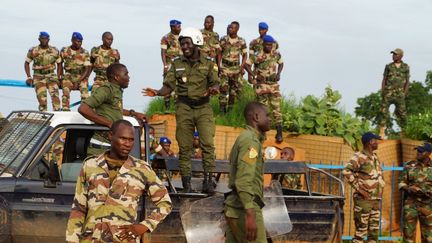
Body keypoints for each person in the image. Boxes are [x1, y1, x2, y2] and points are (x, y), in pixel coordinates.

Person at [65, 119, 172, 243]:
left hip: (123, 239)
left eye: (131, 140)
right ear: (111, 136)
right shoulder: (90, 165)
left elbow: (165, 204)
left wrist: (144, 226)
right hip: (92, 239)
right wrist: (72, 240)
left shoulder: (142, 169)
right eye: (123, 138)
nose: (127, 144)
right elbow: (79, 208)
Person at [143, 27, 220, 194]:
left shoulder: (208, 63)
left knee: (207, 143)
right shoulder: (177, 63)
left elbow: (216, 82)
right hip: (184, 107)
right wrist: (157, 92)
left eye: (187, 43)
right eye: (182, 44)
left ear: (196, 42)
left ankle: (208, 181)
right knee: (184, 147)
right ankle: (187, 184)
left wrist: (213, 89)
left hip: (203, 107)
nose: (184, 47)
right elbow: (168, 86)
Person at [224, 102, 270, 243]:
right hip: (244, 209)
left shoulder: (246, 138)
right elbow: (243, 180)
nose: (270, 119)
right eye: (267, 115)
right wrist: (250, 214)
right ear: (256, 117)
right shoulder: (251, 141)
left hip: (236, 208)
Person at [342, 132, 385, 243]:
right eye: (376, 140)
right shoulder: (358, 156)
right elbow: (346, 171)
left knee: (374, 233)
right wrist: (359, 189)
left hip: (376, 200)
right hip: (363, 201)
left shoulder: (375, 157)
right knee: (360, 233)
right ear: (371, 142)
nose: (377, 143)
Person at [78, 63, 145, 128]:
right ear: (117, 77)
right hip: (102, 138)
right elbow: (83, 109)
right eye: (126, 74)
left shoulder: (116, 90)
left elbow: (115, 109)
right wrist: (109, 124)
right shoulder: (106, 90)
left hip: (113, 137)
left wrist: (135, 114)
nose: (128, 77)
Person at [244, 35, 284, 142]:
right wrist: (254, 75)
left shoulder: (275, 54)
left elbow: (281, 63)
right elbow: (246, 65)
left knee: (277, 108)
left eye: (271, 45)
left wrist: (279, 73)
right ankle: (262, 135)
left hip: (273, 85)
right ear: (263, 44)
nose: (269, 47)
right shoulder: (257, 54)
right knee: (263, 110)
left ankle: (279, 132)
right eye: (267, 45)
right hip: (262, 86)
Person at [398, 142, 432, 243]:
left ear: (428, 153)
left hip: (428, 206)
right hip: (410, 205)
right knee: (408, 237)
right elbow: (401, 183)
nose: (418, 153)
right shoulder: (409, 165)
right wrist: (408, 189)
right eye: (417, 150)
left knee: (429, 238)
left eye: (421, 151)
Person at [24, 31, 62, 111]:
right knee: (42, 100)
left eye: (46, 39)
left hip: (51, 76)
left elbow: (59, 64)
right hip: (38, 77)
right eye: (42, 39)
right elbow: (27, 63)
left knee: (55, 98)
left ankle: (57, 116)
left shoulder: (54, 50)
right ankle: (44, 117)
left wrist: (59, 77)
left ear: (49, 40)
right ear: (39, 39)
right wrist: (29, 77)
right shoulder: (33, 50)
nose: (44, 40)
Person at [217, 21, 248, 114]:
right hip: (225, 68)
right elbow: (219, 53)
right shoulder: (223, 39)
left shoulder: (241, 41)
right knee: (223, 88)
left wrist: (241, 67)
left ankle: (230, 111)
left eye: (232, 28)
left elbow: (245, 55)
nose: (230, 29)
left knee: (233, 91)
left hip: (236, 69)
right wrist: (219, 66)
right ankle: (222, 110)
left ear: (237, 29)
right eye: (230, 27)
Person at [378, 48, 410, 137]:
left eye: (395, 54)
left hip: (399, 94)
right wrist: (382, 90)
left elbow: (407, 81)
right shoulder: (388, 66)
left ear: (401, 56)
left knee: (402, 113)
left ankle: (404, 132)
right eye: (393, 54)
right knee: (383, 111)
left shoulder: (406, 67)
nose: (393, 56)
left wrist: (404, 93)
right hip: (388, 93)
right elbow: (384, 79)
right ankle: (381, 132)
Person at [60, 32, 91, 111]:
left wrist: (78, 81)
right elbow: (59, 64)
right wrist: (59, 78)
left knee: (85, 95)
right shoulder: (65, 50)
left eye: (80, 41)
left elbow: (87, 69)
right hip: (68, 75)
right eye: (77, 41)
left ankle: (84, 111)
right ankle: (65, 111)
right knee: (65, 93)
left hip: (81, 76)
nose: (79, 43)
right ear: (72, 40)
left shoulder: (85, 52)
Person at [160, 19, 182, 109]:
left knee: (180, 86)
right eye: (178, 26)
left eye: (180, 26)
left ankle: (178, 108)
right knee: (168, 85)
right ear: (172, 27)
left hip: (180, 65)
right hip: (170, 64)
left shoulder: (183, 36)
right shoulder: (166, 38)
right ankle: (167, 108)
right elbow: (163, 52)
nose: (180, 28)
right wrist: (165, 65)